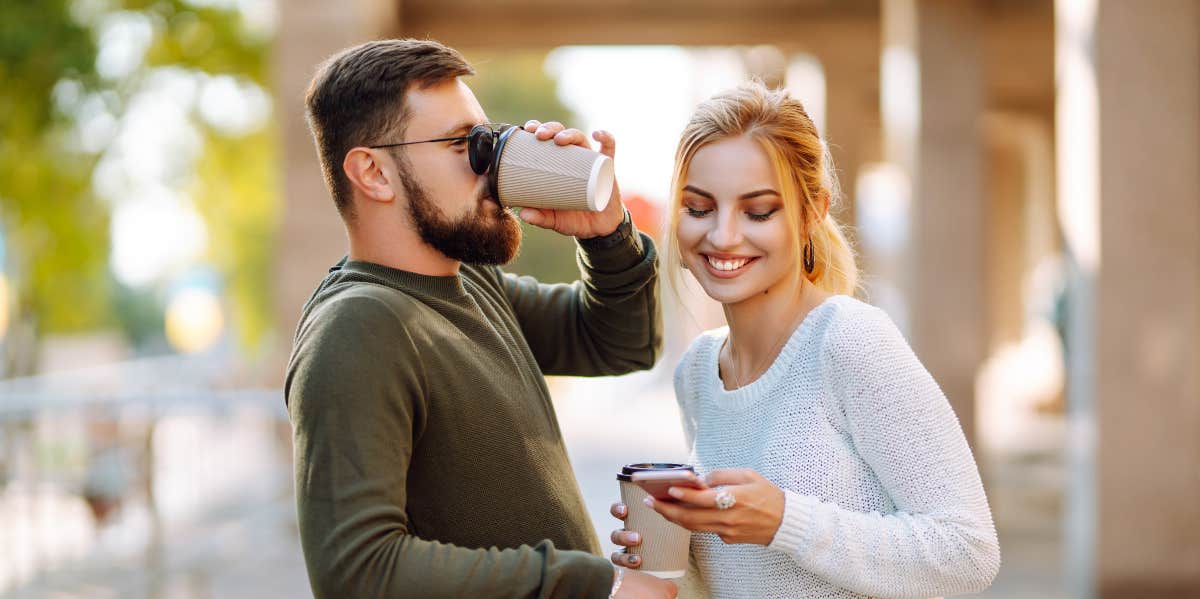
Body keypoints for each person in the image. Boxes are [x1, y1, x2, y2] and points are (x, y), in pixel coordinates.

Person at [285, 39, 675, 598]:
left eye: (491, 140)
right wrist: (593, 584)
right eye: (464, 144)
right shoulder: (359, 326)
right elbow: (358, 573)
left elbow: (621, 344)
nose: (491, 165)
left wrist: (607, 235)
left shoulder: (471, 280)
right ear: (373, 173)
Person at [609, 81, 1001, 598]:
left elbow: (969, 553)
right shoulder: (698, 373)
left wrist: (784, 521)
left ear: (811, 211)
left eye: (758, 211)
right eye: (700, 208)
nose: (723, 236)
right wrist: (662, 557)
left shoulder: (849, 340)